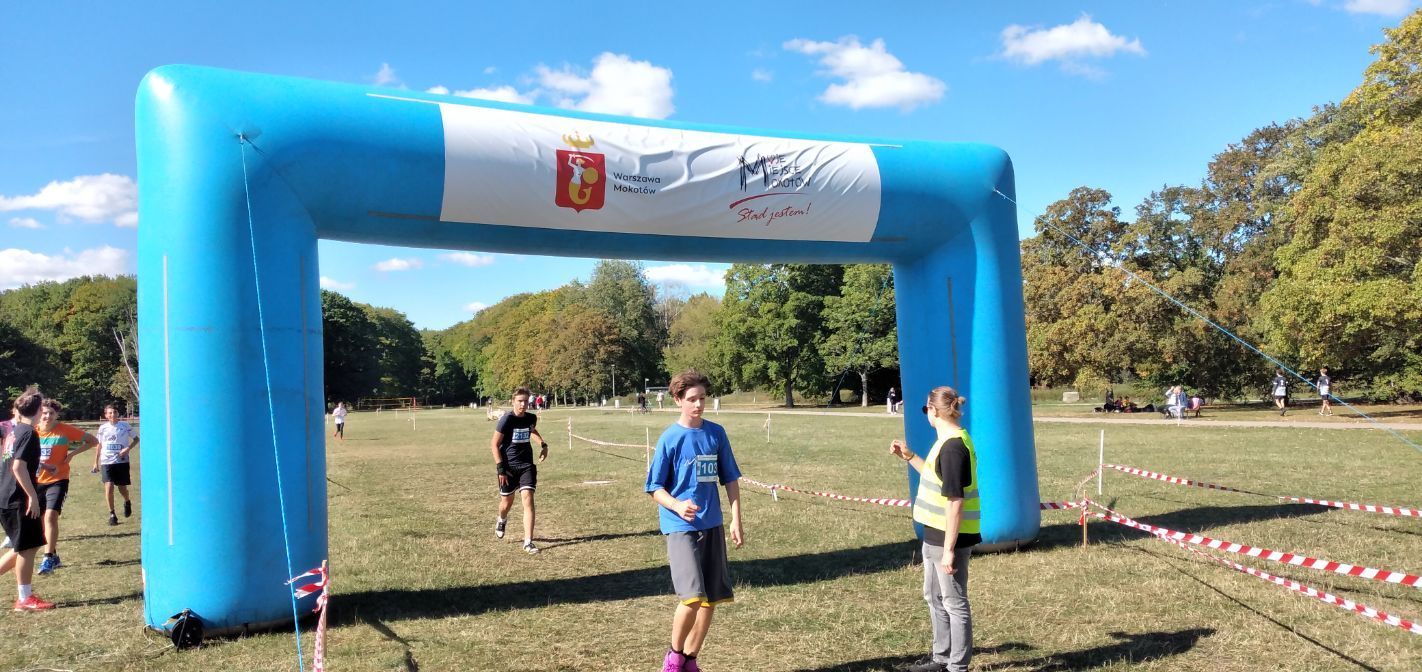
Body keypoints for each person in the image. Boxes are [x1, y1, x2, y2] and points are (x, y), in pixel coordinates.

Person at [646, 370, 743, 672]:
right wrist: (677, 505)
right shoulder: (670, 438)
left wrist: (736, 519)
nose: (698, 404)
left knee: (710, 600)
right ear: (678, 400)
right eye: (691, 399)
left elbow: (730, 478)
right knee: (691, 597)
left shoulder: (716, 434)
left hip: (711, 524)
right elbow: (654, 488)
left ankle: (690, 660)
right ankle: (674, 658)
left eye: (702, 398)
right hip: (680, 527)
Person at [888, 386, 979, 672]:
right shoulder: (945, 443)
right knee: (934, 597)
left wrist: (949, 551)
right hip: (934, 534)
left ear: (933, 410)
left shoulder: (953, 447)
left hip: (948, 539)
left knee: (954, 602)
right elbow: (934, 476)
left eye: (925, 409)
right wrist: (908, 455)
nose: (925, 413)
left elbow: (955, 501)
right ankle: (941, 658)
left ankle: (957, 666)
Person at [1, 389, 55, 610]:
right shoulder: (29, 433)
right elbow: (18, 467)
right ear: (39, 409)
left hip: (6, 495)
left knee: (22, 546)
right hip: (18, 498)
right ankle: (25, 599)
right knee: (28, 548)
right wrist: (32, 496)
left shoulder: (14, 431)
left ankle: (25, 597)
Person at [34, 399, 97, 575]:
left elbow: (93, 440)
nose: (47, 416)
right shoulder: (33, 431)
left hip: (58, 479)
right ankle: (54, 555)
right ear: (39, 413)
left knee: (51, 516)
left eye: (51, 413)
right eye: (44, 413)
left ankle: (47, 559)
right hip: (36, 481)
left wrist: (71, 455)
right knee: (40, 521)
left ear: (57, 415)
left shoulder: (65, 430)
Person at [490, 387, 547, 554]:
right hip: (508, 467)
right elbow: (494, 444)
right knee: (506, 503)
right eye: (520, 401)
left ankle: (528, 542)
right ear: (513, 402)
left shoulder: (531, 418)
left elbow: (531, 430)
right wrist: (501, 468)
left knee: (528, 499)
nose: (523, 404)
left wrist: (543, 444)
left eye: (526, 401)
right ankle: (502, 519)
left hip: (526, 466)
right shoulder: (506, 419)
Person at [90, 404, 138, 526]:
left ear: (118, 413)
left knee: (122, 488)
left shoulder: (125, 426)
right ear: (106, 415)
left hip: (121, 461)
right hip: (106, 461)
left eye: (114, 412)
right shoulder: (102, 428)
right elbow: (99, 445)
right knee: (109, 486)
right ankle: (112, 514)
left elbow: (136, 439)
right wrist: (96, 462)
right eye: (110, 413)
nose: (113, 414)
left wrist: (127, 449)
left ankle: (127, 501)